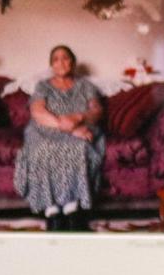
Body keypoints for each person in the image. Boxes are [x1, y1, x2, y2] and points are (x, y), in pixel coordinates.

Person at [13, 45, 106, 232]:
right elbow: (38, 112)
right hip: (45, 128)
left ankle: (72, 208)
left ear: (72, 62)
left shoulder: (86, 86)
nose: (61, 62)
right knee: (42, 149)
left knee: (78, 148)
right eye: (56, 59)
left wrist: (79, 118)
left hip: (81, 127)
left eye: (65, 58)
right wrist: (70, 129)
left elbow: (96, 111)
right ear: (51, 65)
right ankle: (52, 210)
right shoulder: (43, 86)